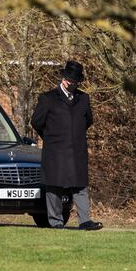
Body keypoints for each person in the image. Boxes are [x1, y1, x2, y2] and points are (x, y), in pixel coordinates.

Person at [31, 60, 103, 231]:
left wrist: (74, 136)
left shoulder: (84, 98)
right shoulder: (48, 98)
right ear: (63, 78)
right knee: (54, 186)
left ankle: (85, 221)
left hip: (77, 150)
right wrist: (51, 137)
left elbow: (88, 120)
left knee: (80, 186)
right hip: (55, 150)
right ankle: (55, 222)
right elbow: (36, 122)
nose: (70, 83)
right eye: (68, 79)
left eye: (74, 80)